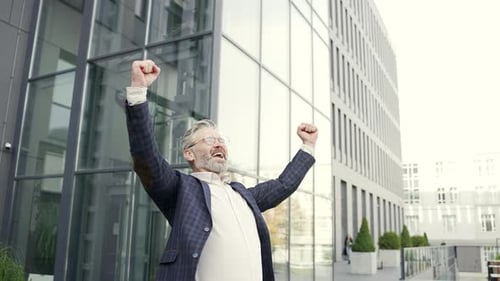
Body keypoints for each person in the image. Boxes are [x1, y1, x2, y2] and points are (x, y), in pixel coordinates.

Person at [125, 59, 318, 281]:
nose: (218, 144)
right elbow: (145, 157)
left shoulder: (243, 195)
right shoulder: (180, 190)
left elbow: (283, 184)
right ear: (189, 153)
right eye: (209, 140)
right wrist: (138, 92)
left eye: (221, 140)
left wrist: (308, 145)